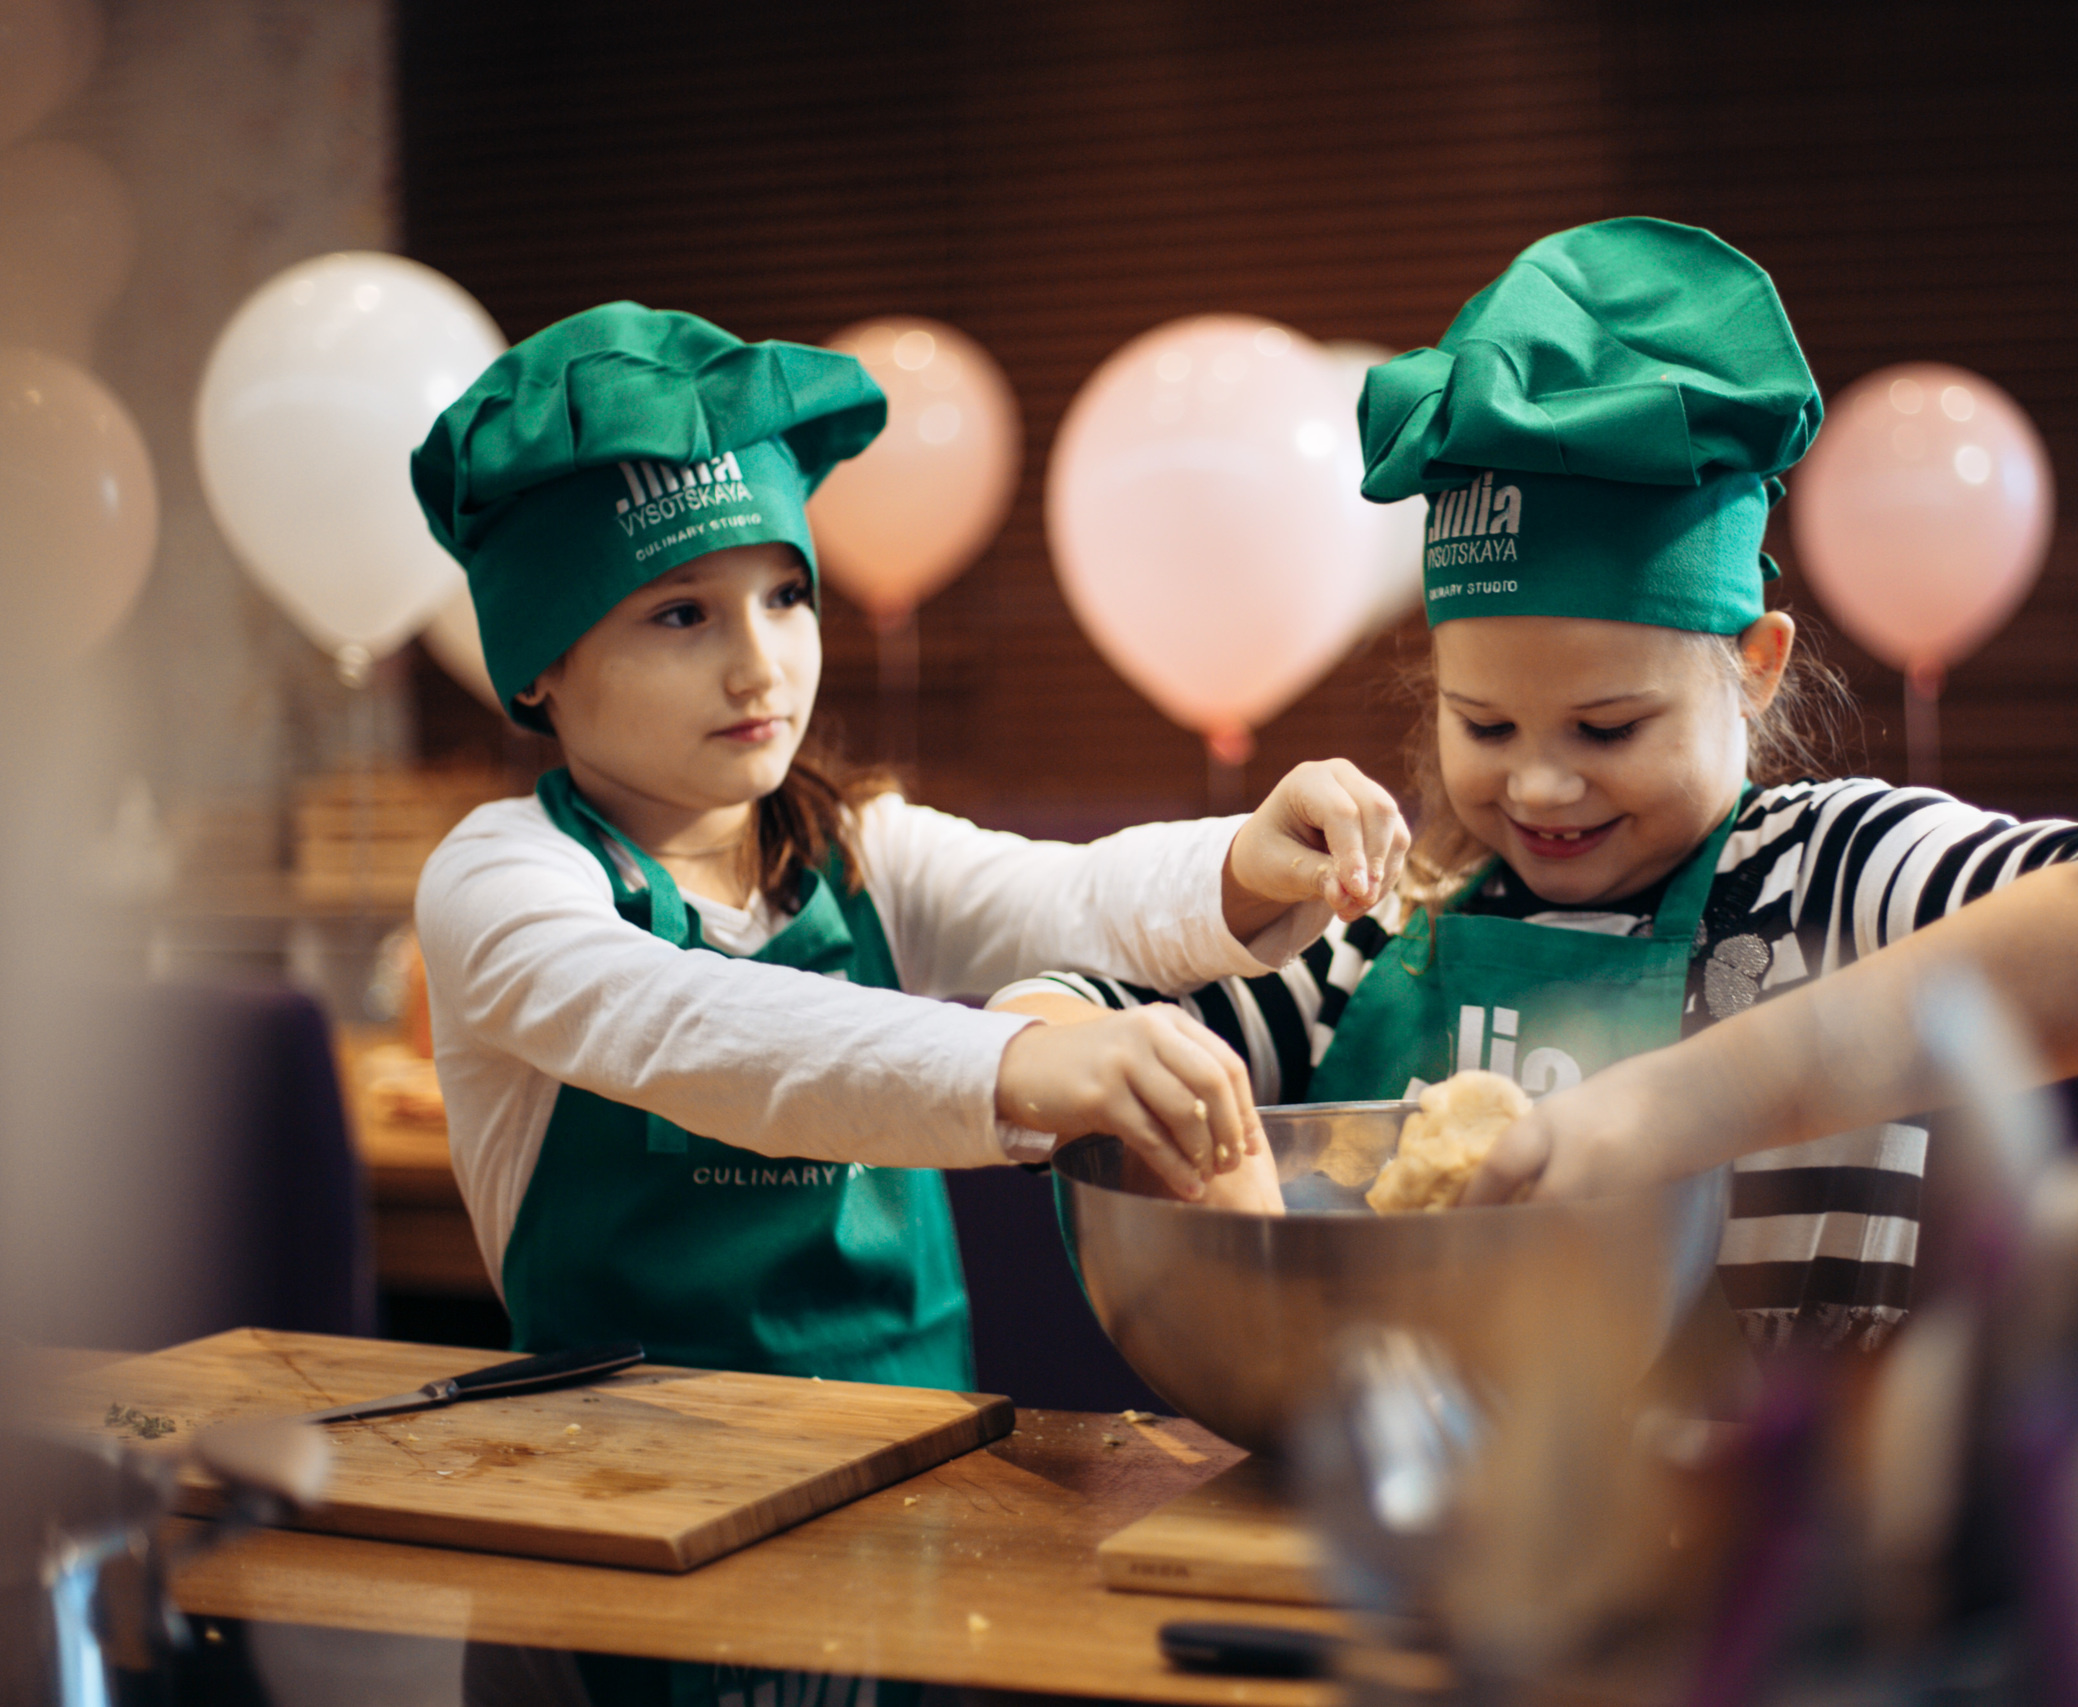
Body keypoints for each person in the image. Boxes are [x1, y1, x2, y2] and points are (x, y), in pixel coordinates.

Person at [995, 220, 2078, 1351]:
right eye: (1486, 722)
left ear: (1756, 668)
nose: (1542, 783)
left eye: (1609, 727)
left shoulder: (1829, 872)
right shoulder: (1390, 932)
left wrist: (1681, 1105)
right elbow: (1053, 1015)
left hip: (1770, 1545)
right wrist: (1116, 1070)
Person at [408, 302, 1410, 1392]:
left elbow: (1068, 891)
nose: (762, 667)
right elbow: (692, 1026)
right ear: (538, 664)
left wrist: (1245, 862)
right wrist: (1025, 1060)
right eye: (682, 615)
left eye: (786, 596)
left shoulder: (856, 852)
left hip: (918, 1458)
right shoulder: (498, 879)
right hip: (627, 1482)